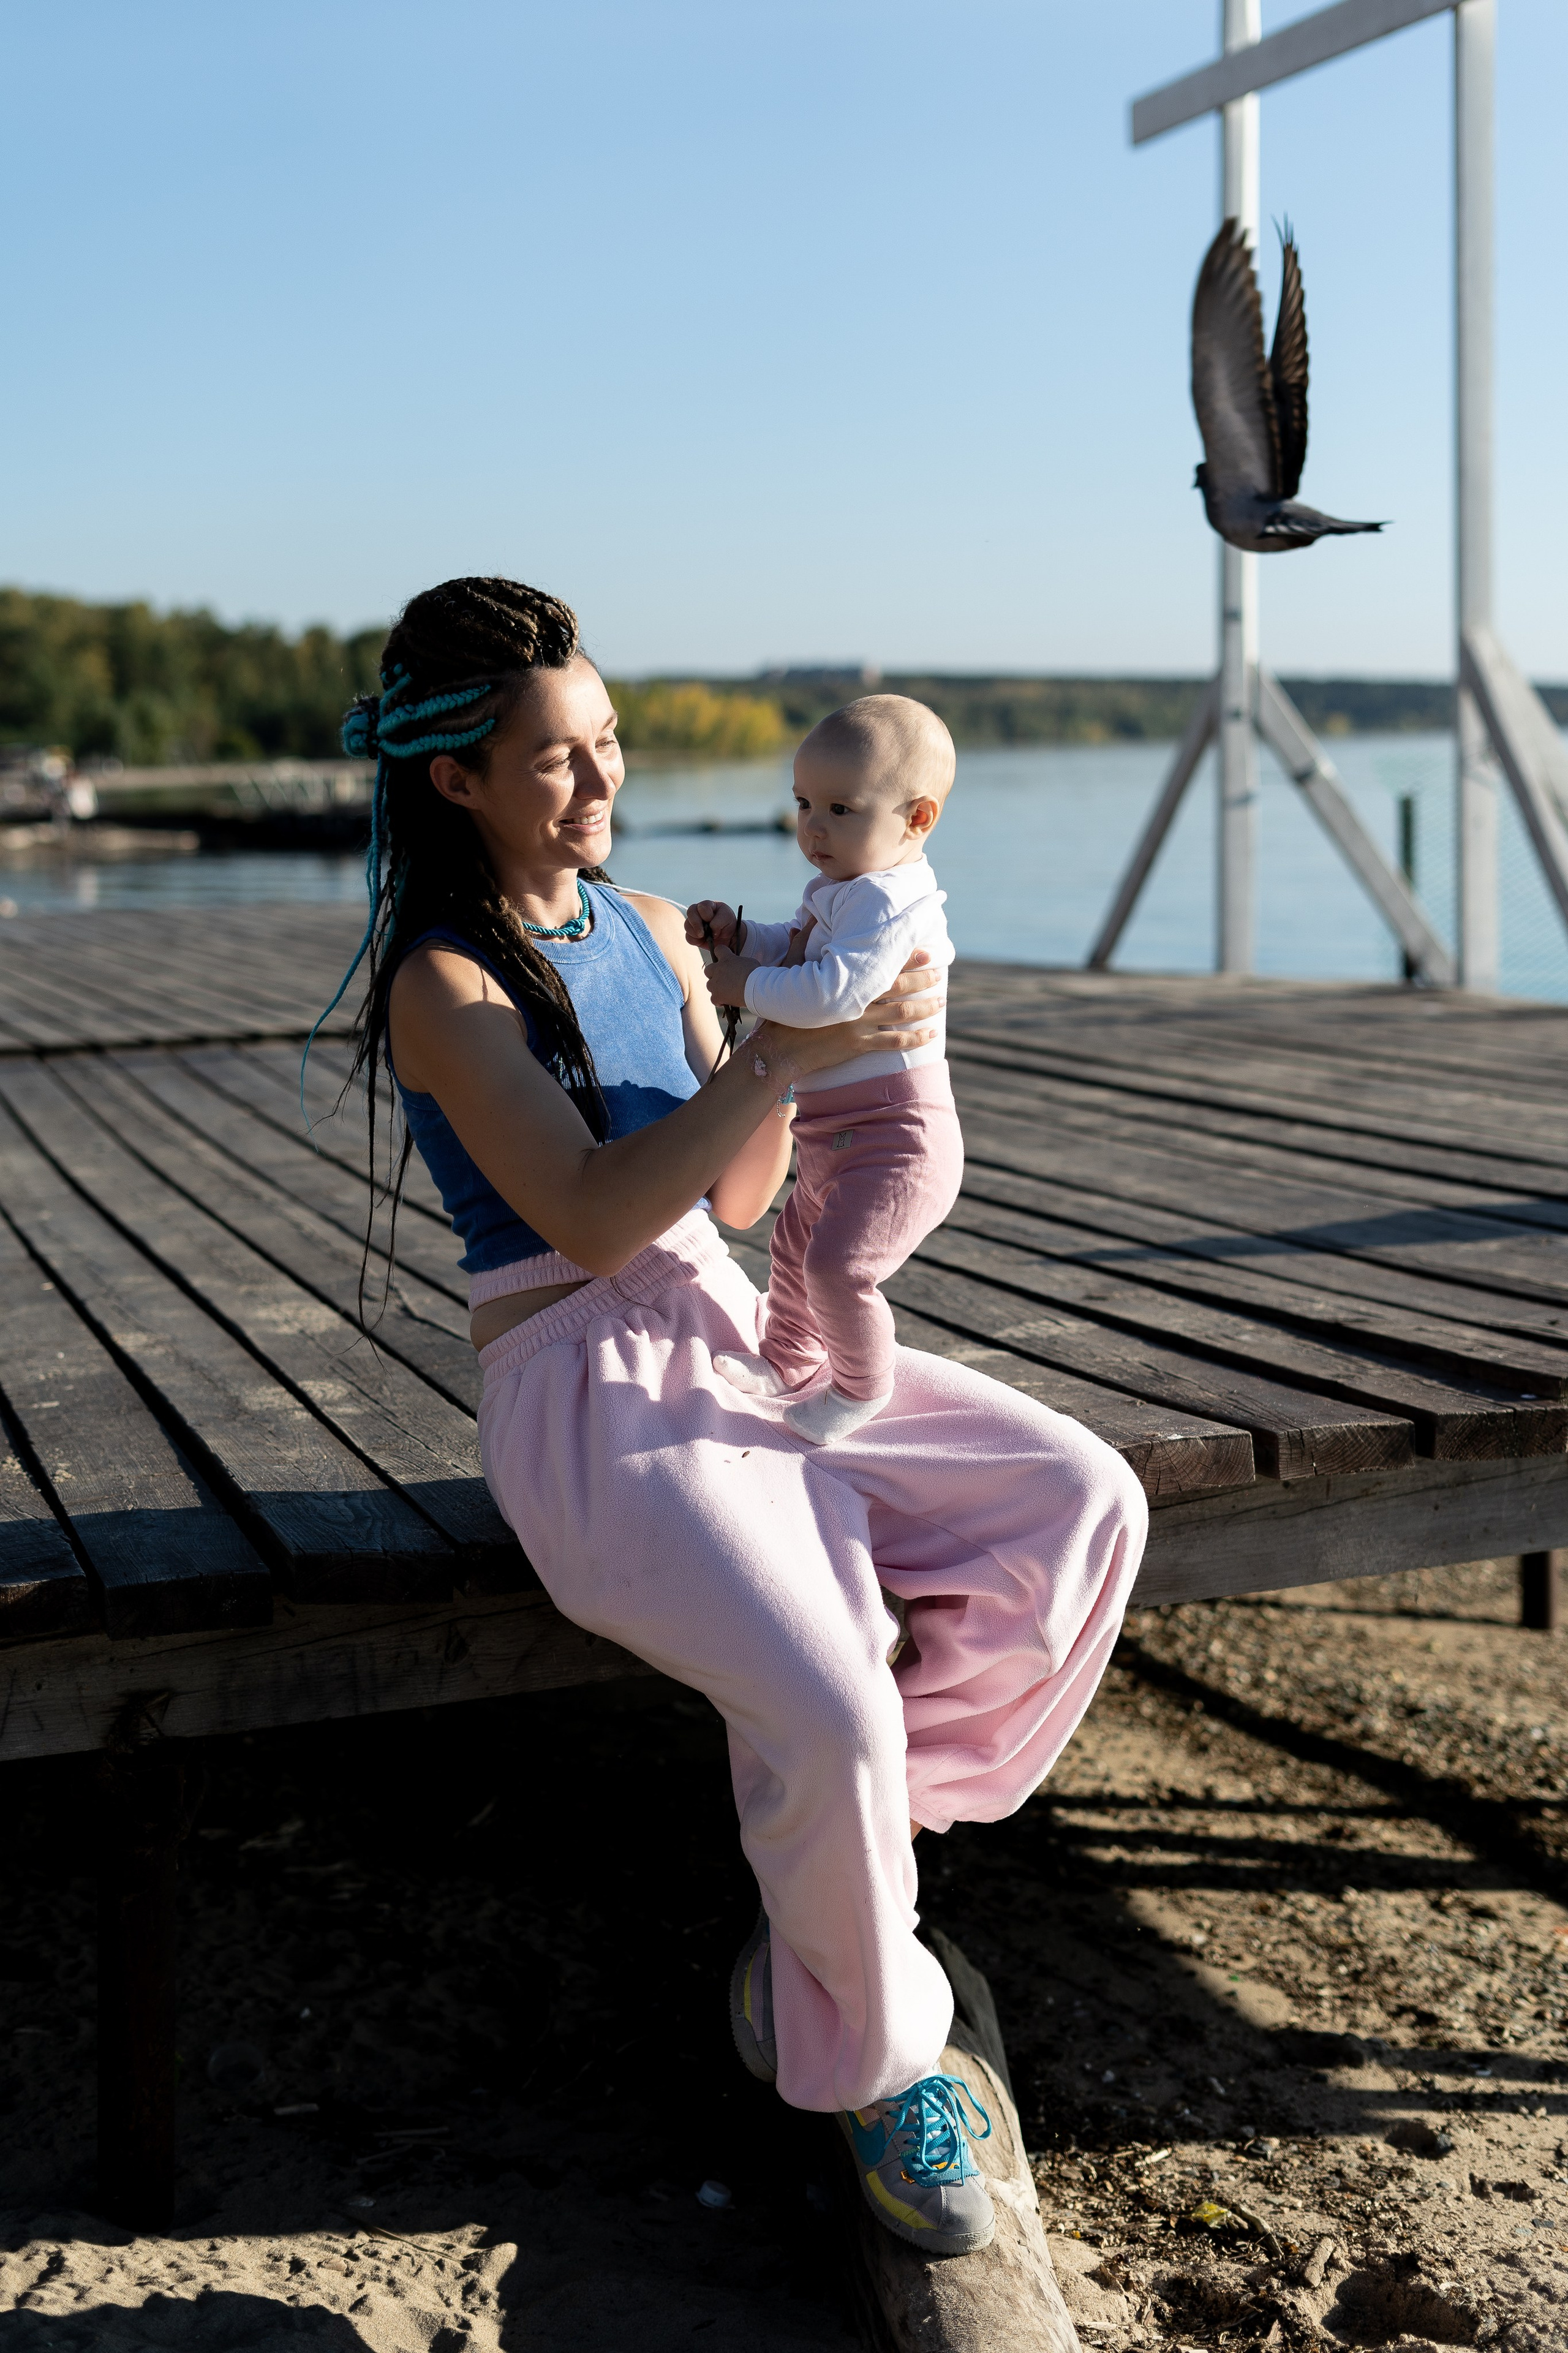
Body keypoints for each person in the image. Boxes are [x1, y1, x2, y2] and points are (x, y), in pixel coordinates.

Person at [325, 575, 1148, 2260]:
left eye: (608, 738)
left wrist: (857, 1056)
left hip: (733, 1328)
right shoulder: (446, 984)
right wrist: (777, 1051)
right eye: (555, 757)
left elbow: (743, 1190)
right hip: (586, 1386)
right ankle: (871, 2062)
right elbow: (591, 1215)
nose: (601, 777)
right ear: (455, 779)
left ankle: (847, 1872)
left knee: (1079, 1500)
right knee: (832, 1697)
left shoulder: (644, 924)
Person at [687, 692, 960, 1446]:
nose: (813, 826)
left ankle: (861, 1387)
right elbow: (800, 949)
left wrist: (744, 985)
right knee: (794, 1251)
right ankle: (787, 1360)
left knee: (839, 1268)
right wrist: (745, 936)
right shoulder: (848, 890)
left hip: (896, 1138)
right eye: (804, 803)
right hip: (836, 1133)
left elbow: (835, 995)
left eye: (841, 809)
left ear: (917, 818)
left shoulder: (888, 900)